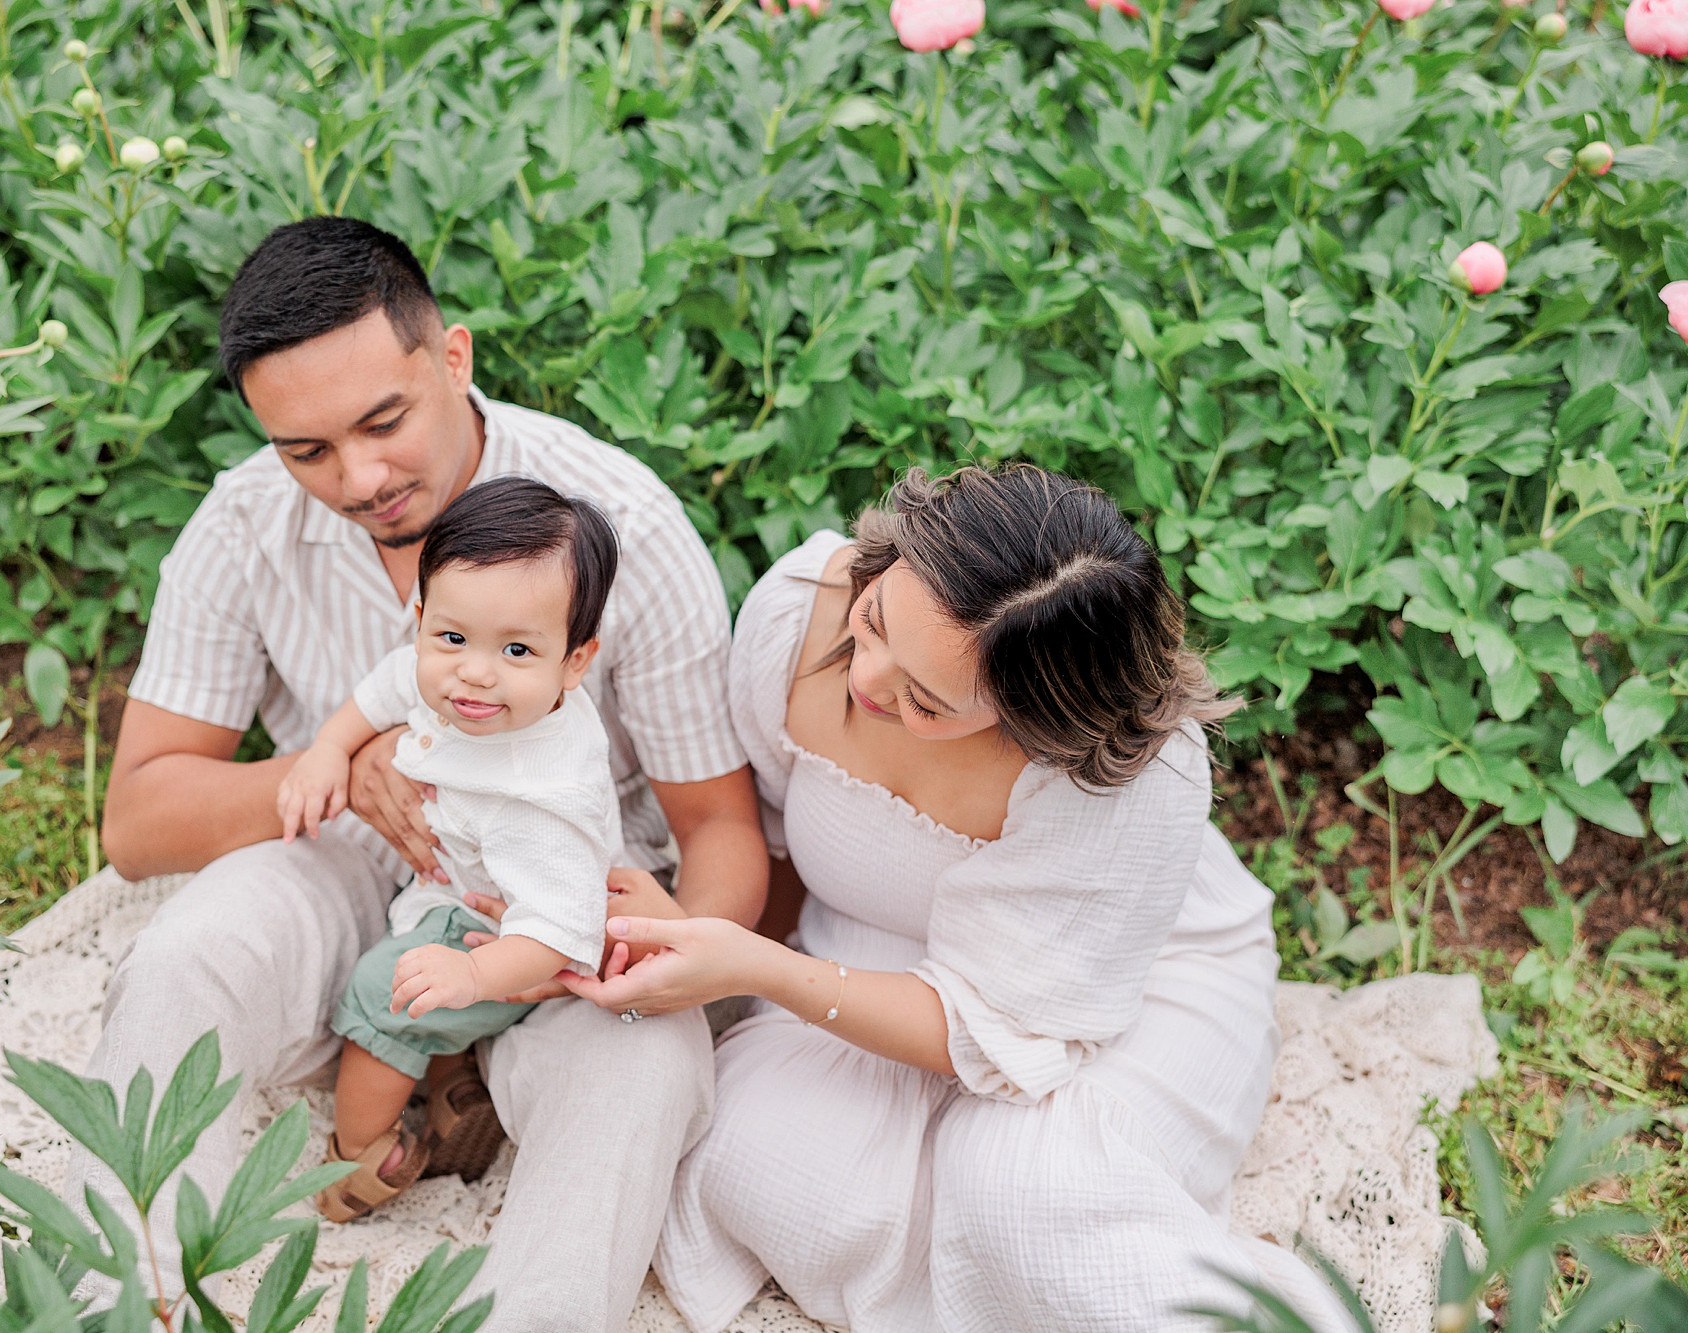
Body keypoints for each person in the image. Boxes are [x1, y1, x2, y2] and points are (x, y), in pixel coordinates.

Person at [77, 217, 768, 1332]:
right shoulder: (243, 523)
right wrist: (341, 765)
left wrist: (673, 948)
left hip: (575, 900)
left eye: (382, 421)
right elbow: (139, 820)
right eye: (305, 451)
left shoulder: (624, 524)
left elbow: (723, 828)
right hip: (356, 873)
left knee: (643, 1074)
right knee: (180, 956)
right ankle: (115, 1301)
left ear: (453, 356)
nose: (358, 477)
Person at [554, 465, 1352, 1332]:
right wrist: (714, 944)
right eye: (875, 621)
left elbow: (990, 1030)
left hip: (1098, 987)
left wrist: (759, 967)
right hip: (861, 956)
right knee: (761, 1160)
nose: (868, 676)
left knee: (1016, 1186)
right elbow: (779, 839)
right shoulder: (798, 611)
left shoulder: (1130, 776)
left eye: (927, 701)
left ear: (1035, 718)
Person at [276, 478, 624, 1222]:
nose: (475, 670)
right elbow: (382, 690)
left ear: (575, 661)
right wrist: (328, 752)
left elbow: (557, 931)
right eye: (453, 638)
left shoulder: (541, 797)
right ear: (423, 618)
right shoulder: (442, 668)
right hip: (458, 887)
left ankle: (360, 1156)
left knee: (384, 991)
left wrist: (474, 972)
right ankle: (451, 1076)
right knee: (419, 971)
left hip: (507, 933)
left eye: (519, 649)